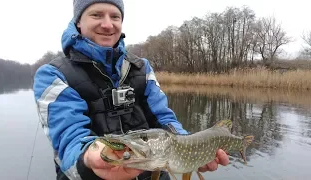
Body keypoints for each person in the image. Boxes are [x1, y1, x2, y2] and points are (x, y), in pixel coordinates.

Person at [32, 0, 229, 180]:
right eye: (96, 15)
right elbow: (69, 139)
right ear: (78, 22)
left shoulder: (142, 68)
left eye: (115, 16)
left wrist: (189, 150)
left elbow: (165, 120)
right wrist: (90, 157)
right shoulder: (53, 75)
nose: (108, 24)